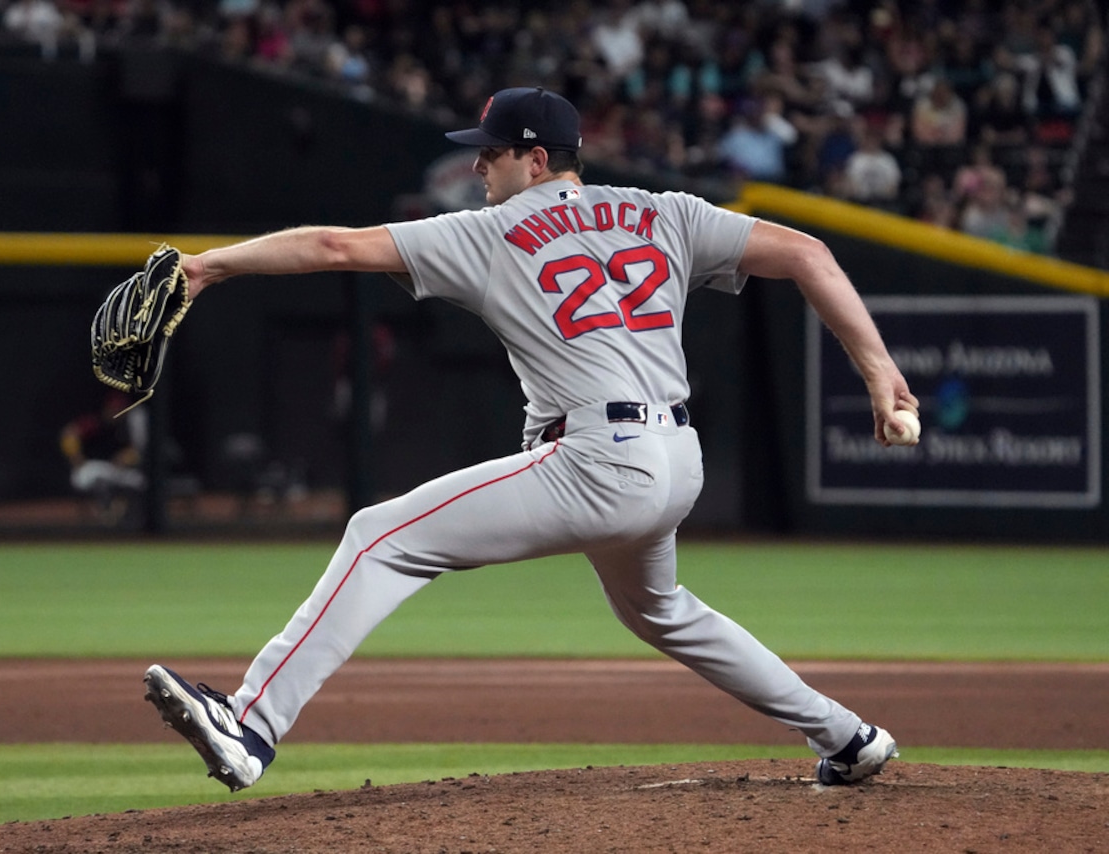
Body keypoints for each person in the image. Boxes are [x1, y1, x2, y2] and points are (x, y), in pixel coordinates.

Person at [144, 86, 916, 793]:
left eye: (491, 149)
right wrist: (881, 376)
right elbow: (811, 254)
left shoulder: (491, 232)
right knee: (660, 611)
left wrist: (209, 267)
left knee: (379, 536)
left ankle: (248, 724)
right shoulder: (668, 211)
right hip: (679, 463)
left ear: (537, 159)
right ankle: (847, 737)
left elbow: (335, 248)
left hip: (598, 461)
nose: (477, 162)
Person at [59, 390, 148, 519]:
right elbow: (69, 434)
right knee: (81, 477)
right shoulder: (96, 422)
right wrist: (75, 457)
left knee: (140, 482)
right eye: (113, 408)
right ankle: (102, 513)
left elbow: (139, 450)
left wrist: (126, 458)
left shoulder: (128, 426)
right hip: (94, 467)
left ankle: (125, 516)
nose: (116, 412)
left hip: (118, 471)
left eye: (119, 409)